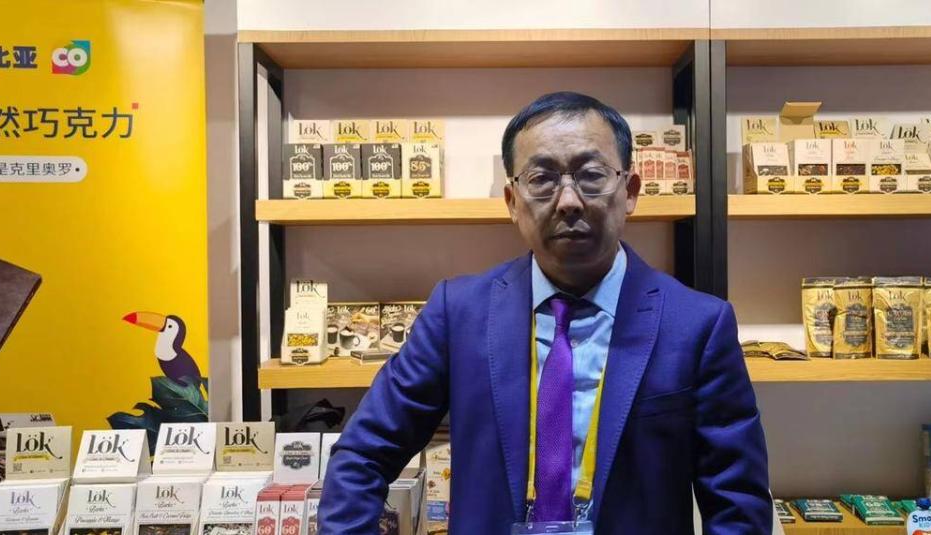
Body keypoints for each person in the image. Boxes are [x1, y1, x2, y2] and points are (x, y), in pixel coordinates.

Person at [318, 92, 771, 533]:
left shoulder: (698, 325)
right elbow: (362, 455)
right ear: (512, 201)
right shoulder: (458, 313)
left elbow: (738, 506)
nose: (569, 200)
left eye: (591, 175)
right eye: (542, 179)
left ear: (630, 191)